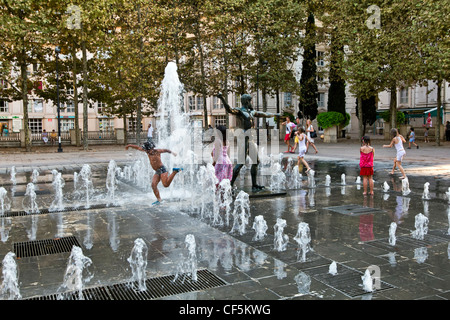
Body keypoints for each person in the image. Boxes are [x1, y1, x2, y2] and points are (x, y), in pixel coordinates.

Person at [217, 93, 280, 191]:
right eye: (250, 100)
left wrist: (275, 115)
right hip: (243, 138)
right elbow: (229, 109)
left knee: (256, 161)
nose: (251, 102)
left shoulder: (252, 112)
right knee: (241, 163)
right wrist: (222, 98)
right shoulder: (239, 111)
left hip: (250, 138)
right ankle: (229, 186)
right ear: (246, 101)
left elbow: (264, 114)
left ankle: (254, 185)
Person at [125, 141, 182, 205]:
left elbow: (166, 150)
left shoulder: (157, 151)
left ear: (152, 148)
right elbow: (138, 148)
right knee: (153, 185)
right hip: (157, 171)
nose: (147, 152)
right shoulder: (147, 151)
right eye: (146, 151)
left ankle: (174, 172)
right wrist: (129, 145)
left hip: (162, 169)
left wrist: (173, 153)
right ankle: (159, 200)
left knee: (166, 185)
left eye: (148, 151)